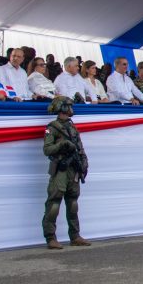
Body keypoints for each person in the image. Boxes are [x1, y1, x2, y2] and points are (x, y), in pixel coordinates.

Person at [42, 96, 91, 249]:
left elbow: (79, 147)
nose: (71, 109)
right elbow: (47, 149)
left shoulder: (72, 126)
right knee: (54, 204)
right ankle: (50, 237)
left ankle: (75, 236)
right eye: (68, 106)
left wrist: (84, 162)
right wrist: (62, 144)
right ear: (62, 107)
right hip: (61, 170)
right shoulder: (52, 127)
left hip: (73, 170)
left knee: (73, 204)